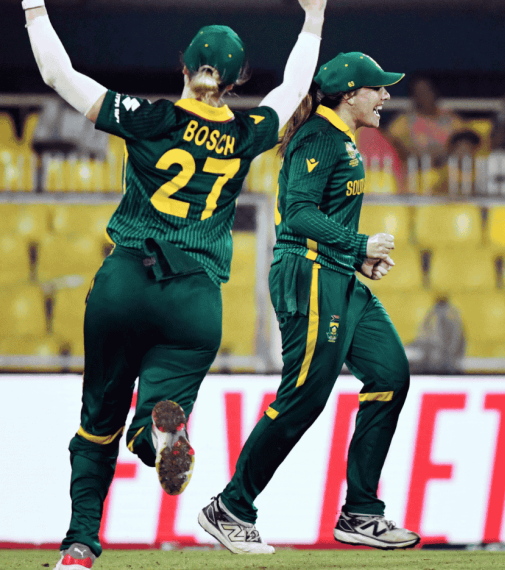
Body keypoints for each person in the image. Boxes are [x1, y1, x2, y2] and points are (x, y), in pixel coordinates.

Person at [23, 1, 327, 568]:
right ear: (236, 82)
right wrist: (313, 19)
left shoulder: (150, 117)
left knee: (97, 424)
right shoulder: (245, 133)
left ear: (183, 67)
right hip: (193, 300)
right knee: (158, 410)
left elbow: (57, 75)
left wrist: (33, 7)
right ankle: (158, 435)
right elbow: (294, 86)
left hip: (126, 280)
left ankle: (79, 546)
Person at [198, 52, 418, 554]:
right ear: (348, 94)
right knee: (303, 398)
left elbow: (317, 216)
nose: (385, 95)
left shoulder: (339, 137)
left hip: (337, 274)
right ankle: (231, 507)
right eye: (376, 87)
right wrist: (360, 245)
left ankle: (362, 512)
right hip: (311, 277)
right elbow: (296, 215)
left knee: (389, 376)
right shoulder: (319, 137)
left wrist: (354, 259)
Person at [387, 76, 463, 168]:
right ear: (413, 97)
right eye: (418, 93)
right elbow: (389, 141)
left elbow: (465, 141)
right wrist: (409, 153)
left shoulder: (451, 119)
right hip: (417, 172)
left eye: (427, 91)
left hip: (448, 172)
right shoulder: (405, 120)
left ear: (435, 92)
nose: (424, 96)